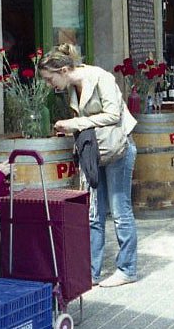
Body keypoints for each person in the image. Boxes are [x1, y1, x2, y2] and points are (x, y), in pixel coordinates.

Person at [38, 44, 138, 287]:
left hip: (118, 149)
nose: (50, 85)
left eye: (50, 79)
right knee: (94, 213)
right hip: (95, 152)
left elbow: (114, 115)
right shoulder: (73, 86)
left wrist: (77, 123)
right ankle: (91, 272)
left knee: (120, 210)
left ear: (63, 70)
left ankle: (127, 269)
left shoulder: (101, 77)